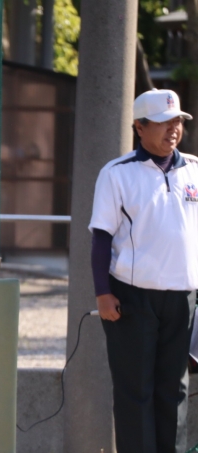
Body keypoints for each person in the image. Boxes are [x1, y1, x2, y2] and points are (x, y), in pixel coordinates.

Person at [90, 88, 197, 453]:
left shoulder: (195, 169)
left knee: (175, 388)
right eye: (164, 122)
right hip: (132, 296)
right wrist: (102, 293)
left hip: (183, 297)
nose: (173, 129)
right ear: (139, 126)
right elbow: (101, 237)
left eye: (177, 121)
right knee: (135, 390)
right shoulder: (117, 173)